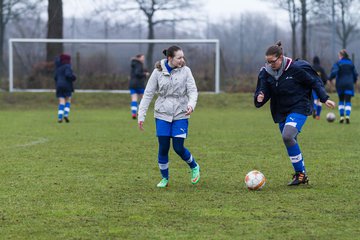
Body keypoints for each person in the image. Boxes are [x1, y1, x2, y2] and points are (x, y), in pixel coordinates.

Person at [254, 41, 336, 186]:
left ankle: (300, 174)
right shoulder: (266, 72)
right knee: (290, 140)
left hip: (299, 106)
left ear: (280, 57)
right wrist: (260, 97)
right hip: (281, 111)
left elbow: (314, 82)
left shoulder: (296, 68)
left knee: (287, 135)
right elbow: (263, 90)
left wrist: (324, 98)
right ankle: (301, 174)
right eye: (267, 62)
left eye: (272, 61)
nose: (270, 64)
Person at [137, 45, 200, 188]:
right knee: (163, 147)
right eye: (179, 58)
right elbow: (148, 94)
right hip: (162, 113)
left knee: (178, 147)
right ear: (169, 58)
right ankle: (164, 178)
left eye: (183, 57)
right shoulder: (157, 72)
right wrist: (141, 115)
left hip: (181, 113)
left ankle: (194, 166)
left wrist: (191, 105)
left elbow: (193, 91)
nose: (182, 60)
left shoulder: (186, 71)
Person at [328, 49, 358, 124]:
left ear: (341, 56)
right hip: (349, 84)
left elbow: (334, 71)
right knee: (348, 101)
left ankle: (341, 117)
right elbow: (355, 74)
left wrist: (330, 78)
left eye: (339, 56)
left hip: (340, 84)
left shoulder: (338, 63)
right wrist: (354, 81)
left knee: (341, 100)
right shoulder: (351, 63)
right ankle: (347, 116)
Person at [54, 54, 76, 123]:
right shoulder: (67, 66)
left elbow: (55, 77)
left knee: (61, 101)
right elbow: (68, 75)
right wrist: (73, 77)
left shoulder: (58, 68)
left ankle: (60, 117)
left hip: (59, 86)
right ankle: (66, 114)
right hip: (67, 85)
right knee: (68, 99)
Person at [129, 54, 149, 119]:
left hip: (132, 84)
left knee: (134, 99)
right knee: (143, 99)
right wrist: (145, 74)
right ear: (139, 58)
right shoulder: (139, 64)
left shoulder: (133, 63)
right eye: (142, 58)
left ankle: (134, 113)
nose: (143, 59)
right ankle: (139, 112)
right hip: (139, 84)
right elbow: (138, 73)